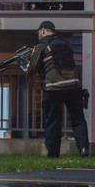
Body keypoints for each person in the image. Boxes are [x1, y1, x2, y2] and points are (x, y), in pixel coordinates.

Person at [25, 21, 89, 158]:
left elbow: (31, 70)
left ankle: (53, 154)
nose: (38, 35)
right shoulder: (66, 44)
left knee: (53, 120)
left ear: (43, 31)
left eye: (38, 33)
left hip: (54, 87)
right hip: (73, 86)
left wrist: (26, 63)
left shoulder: (41, 46)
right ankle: (84, 149)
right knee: (78, 119)